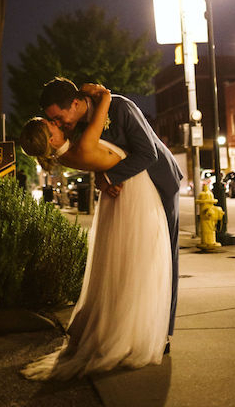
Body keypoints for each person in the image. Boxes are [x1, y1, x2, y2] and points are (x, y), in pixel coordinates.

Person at [17, 82, 174, 380]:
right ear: (51, 138)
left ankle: (142, 328)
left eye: (56, 118)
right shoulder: (82, 144)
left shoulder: (72, 148)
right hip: (133, 199)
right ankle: (139, 333)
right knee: (138, 266)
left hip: (133, 192)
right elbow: (104, 112)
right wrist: (102, 95)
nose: (58, 123)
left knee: (126, 267)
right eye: (52, 124)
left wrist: (106, 175)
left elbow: (129, 153)